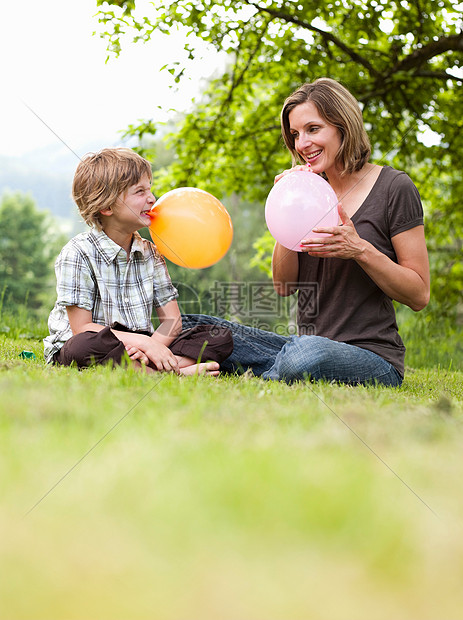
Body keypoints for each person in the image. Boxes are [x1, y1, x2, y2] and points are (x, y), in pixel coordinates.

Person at [182, 78, 430, 386]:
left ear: (344, 126)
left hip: (371, 358)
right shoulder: (307, 192)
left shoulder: (394, 187)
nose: (302, 144)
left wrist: (360, 250)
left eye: (313, 129)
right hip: (302, 343)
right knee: (192, 325)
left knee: (305, 356)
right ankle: (260, 363)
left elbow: (419, 294)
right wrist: (285, 211)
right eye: (296, 134)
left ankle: (240, 366)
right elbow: (284, 286)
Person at [43, 148, 233, 375]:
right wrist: (145, 344)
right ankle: (176, 372)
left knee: (220, 336)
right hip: (93, 343)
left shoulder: (151, 253)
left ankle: (146, 367)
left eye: (150, 188)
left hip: (142, 344)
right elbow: (82, 327)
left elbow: (172, 321)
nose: (152, 198)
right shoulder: (78, 252)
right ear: (107, 207)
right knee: (82, 346)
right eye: (140, 191)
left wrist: (154, 347)